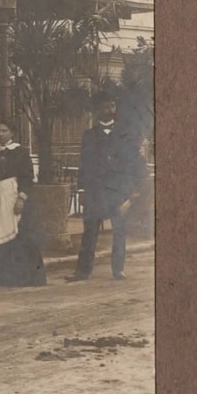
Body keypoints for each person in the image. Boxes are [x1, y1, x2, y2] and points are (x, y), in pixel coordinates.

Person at [72, 92, 148, 281]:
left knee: (119, 230)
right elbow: (84, 163)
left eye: (112, 106)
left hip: (118, 190)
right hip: (95, 190)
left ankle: (118, 270)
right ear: (97, 110)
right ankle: (83, 271)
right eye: (105, 106)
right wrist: (81, 189)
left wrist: (134, 190)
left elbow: (134, 162)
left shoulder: (126, 135)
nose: (110, 110)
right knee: (89, 231)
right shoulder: (89, 136)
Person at [0, 118, 45, 288]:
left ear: (12, 132)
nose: (0, 134)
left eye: (4, 131)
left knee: (17, 235)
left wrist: (21, 198)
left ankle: (17, 277)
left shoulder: (20, 152)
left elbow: (28, 178)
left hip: (13, 194)